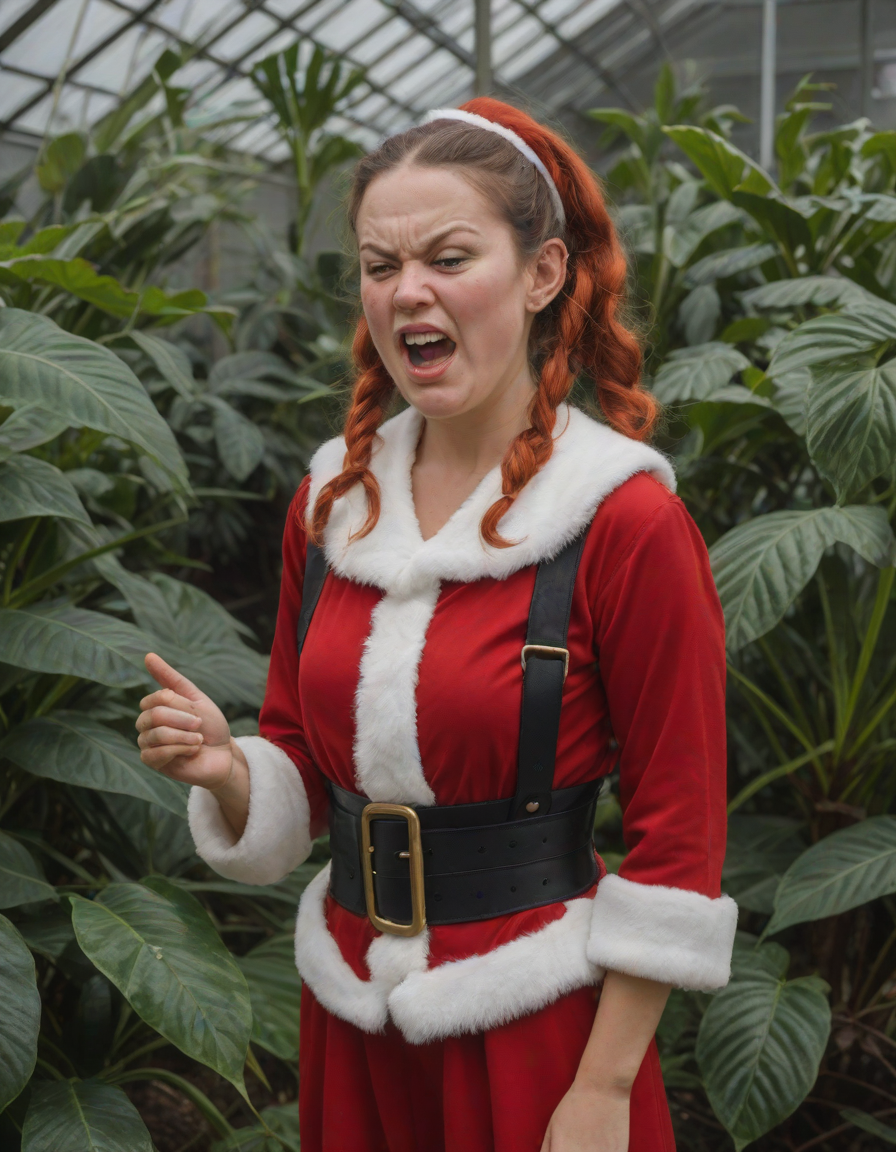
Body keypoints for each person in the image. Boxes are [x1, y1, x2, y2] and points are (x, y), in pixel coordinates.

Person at [136, 97, 737, 1152]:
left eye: (448, 258)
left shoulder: (624, 520)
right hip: (353, 1012)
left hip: (538, 1026)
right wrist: (230, 773)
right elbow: (298, 750)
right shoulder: (333, 503)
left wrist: (602, 1089)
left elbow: (678, 834)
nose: (406, 290)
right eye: (380, 265)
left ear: (542, 274)